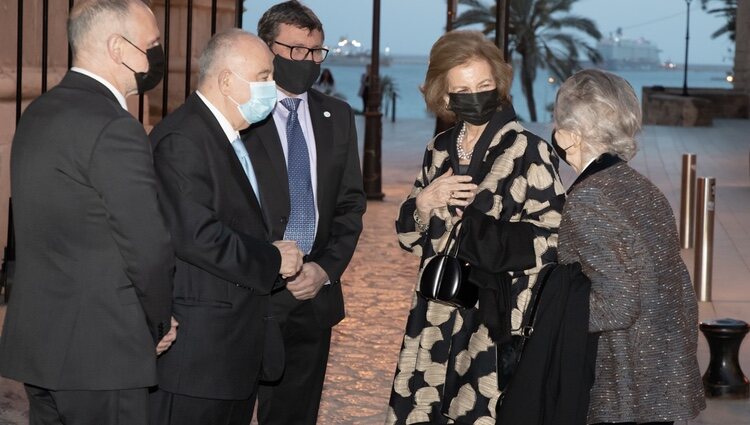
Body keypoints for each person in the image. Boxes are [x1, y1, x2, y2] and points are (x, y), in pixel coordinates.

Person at [0, 0, 176, 423]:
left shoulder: (39, 112)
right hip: (103, 354)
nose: (158, 53)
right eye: (152, 43)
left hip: (42, 346)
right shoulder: (115, 127)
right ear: (119, 47)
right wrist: (157, 323)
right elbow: (146, 247)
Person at [386, 30, 566, 424]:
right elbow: (409, 238)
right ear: (443, 95)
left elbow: (554, 239)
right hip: (435, 314)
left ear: (499, 84)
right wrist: (424, 203)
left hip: (494, 319)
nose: (476, 95)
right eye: (463, 88)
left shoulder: (528, 151)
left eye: (484, 85)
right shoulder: (439, 149)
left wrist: (479, 229)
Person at [148, 29, 304, 425]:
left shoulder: (228, 136)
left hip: (231, 352)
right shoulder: (184, 138)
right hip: (199, 358)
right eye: (265, 76)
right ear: (227, 81)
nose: (274, 86)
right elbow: (196, 235)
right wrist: (272, 259)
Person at [552, 68, 706, 425]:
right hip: (660, 371)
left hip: (624, 383)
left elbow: (618, 305)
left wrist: (547, 313)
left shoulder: (589, 198)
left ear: (568, 136)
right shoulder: (642, 188)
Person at [246, 1, 366, 423]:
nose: (308, 61)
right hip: (250, 294)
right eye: (296, 50)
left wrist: (325, 270)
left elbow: (351, 205)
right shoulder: (242, 115)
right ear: (267, 49)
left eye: (316, 52)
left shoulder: (338, 115)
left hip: (313, 297)